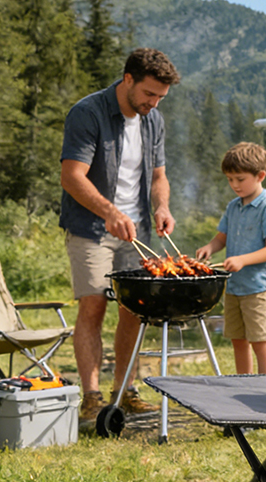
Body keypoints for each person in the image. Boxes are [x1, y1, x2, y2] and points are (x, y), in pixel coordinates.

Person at [59, 48, 181, 421]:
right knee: (93, 305)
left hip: (137, 229)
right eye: (149, 94)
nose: (153, 103)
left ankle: (124, 389)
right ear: (128, 80)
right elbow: (72, 176)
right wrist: (110, 211)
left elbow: (158, 177)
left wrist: (161, 207)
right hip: (92, 227)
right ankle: (92, 396)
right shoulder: (88, 113)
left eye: (160, 97)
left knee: (135, 308)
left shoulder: (153, 120)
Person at [194, 142, 266, 374]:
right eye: (230, 179)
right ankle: (242, 382)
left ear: (260, 175)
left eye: (240, 179)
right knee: (238, 340)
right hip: (234, 287)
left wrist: (242, 260)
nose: (234, 185)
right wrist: (209, 248)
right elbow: (221, 238)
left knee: (260, 341)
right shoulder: (233, 207)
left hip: (258, 288)